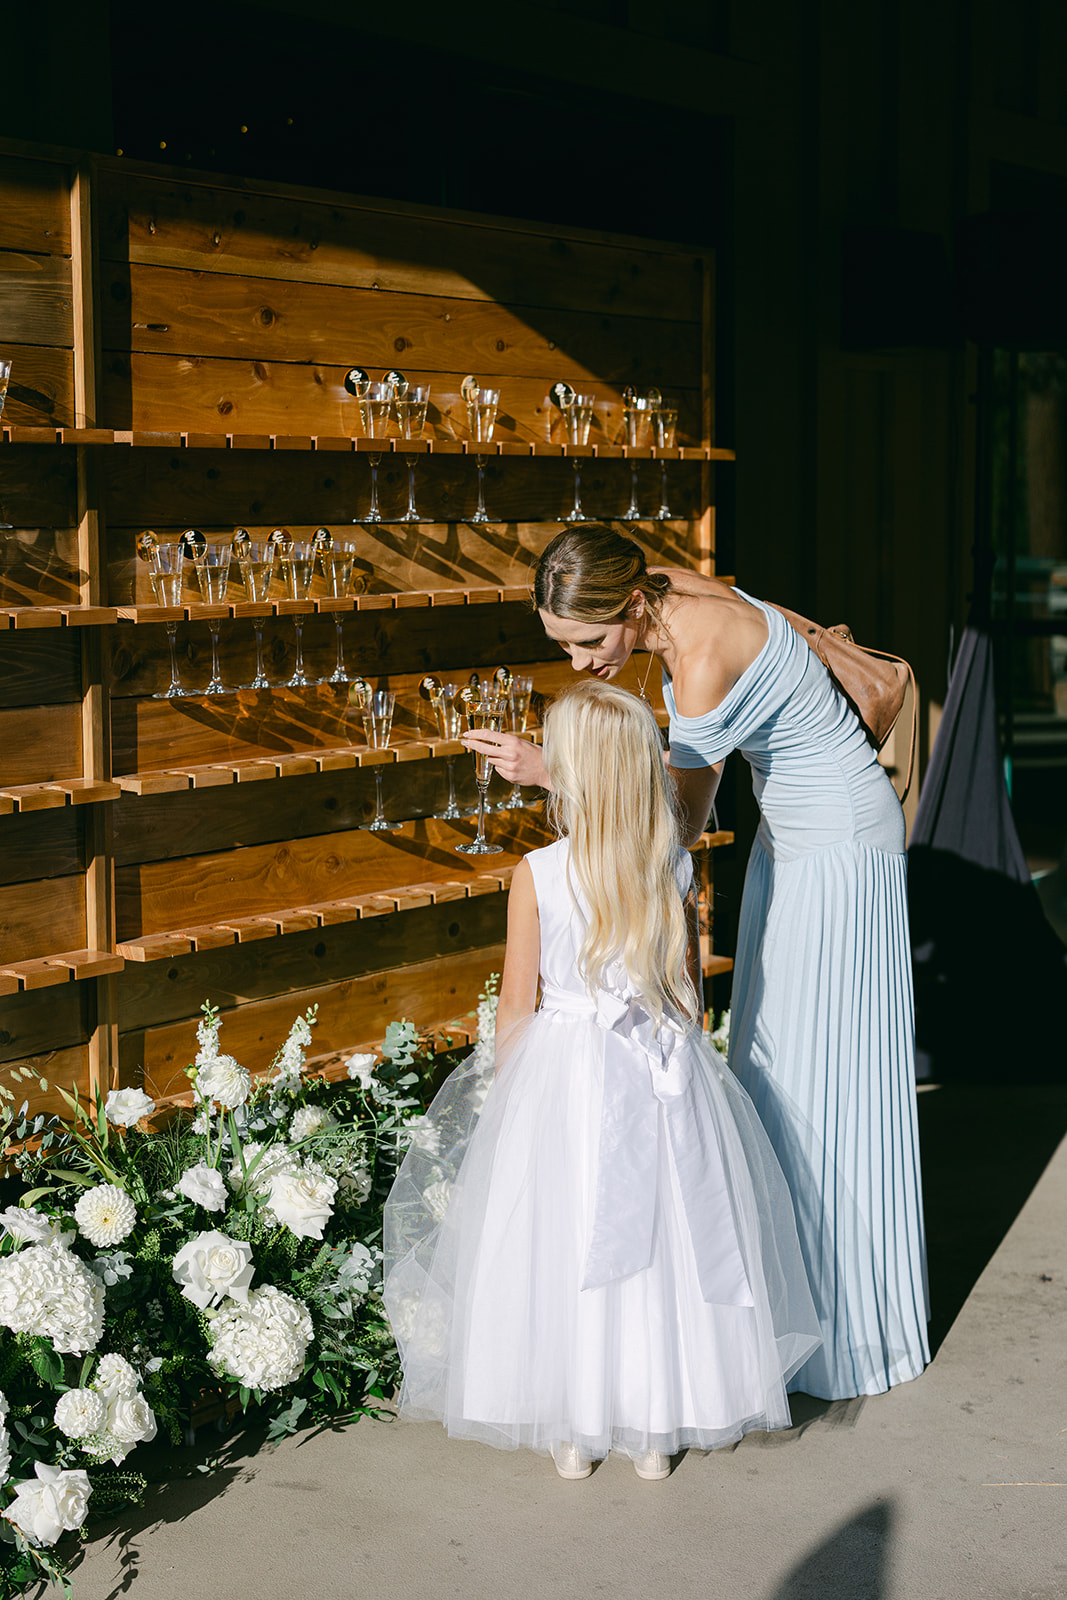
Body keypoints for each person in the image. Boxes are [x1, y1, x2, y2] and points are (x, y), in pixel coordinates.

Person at [463, 526, 930, 1401]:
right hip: (800, 830)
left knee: (813, 1076)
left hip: (832, 846)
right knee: (780, 1061)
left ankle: (845, 1330)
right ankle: (806, 1308)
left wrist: (550, 771)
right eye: (562, 646)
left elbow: (667, 828)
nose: (580, 662)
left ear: (629, 605)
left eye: (589, 641)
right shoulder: (672, 585)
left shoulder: (700, 662)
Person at [383, 680, 821, 1479]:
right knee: (663, 1233)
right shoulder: (673, 866)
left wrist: (508, 1107)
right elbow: (686, 997)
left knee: (565, 1235)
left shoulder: (538, 873)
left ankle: (574, 1430)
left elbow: (517, 1004)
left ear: (569, 776)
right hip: (659, 1066)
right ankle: (654, 1427)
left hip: (566, 1076)